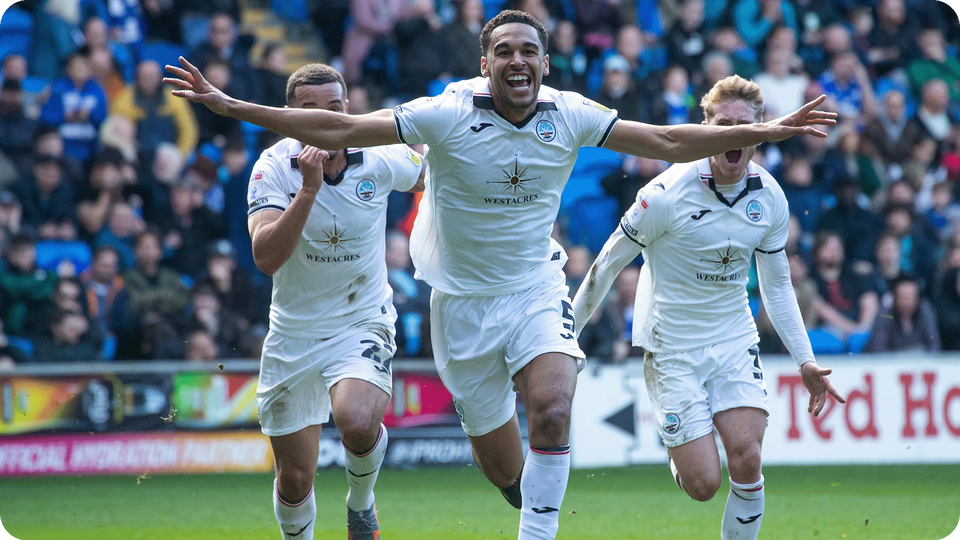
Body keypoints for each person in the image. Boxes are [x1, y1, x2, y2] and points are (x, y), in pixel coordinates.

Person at [164, 11, 835, 539]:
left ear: (545, 62)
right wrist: (235, 107)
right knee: (505, 467)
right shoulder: (447, 113)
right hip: (460, 304)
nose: (518, 60)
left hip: (535, 286)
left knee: (553, 406)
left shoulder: (569, 113)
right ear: (485, 64)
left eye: (529, 50)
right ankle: (518, 492)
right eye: (504, 51)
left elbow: (665, 140)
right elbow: (336, 127)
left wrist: (770, 132)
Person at [570, 75, 844, 540]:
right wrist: (565, 338)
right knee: (703, 484)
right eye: (723, 124)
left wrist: (806, 361)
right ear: (705, 127)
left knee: (748, 457)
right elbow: (607, 264)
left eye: (744, 126)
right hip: (672, 347)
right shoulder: (664, 193)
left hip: (734, 338)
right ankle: (681, 455)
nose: (733, 134)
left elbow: (777, 288)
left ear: (760, 132)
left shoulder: (769, 197)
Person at [244, 64, 424, 540]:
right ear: (289, 116)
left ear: (348, 109)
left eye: (334, 108)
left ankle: (361, 505)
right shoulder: (272, 166)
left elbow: (429, 173)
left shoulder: (381, 156)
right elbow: (266, 258)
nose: (325, 119)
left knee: (358, 421)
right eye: (310, 111)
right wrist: (309, 189)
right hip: (294, 333)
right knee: (295, 479)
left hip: (363, 320)